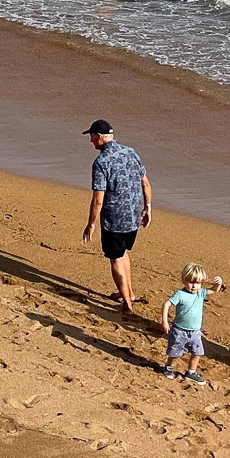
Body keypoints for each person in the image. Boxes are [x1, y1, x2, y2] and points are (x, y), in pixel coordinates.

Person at [81, 120, 152, 319]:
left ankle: (127, 304)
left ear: (100, 137)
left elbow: (98, 199)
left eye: (92, 137)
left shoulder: (101, 162)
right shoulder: (131, 152)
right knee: (123, 253)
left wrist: (91, 224)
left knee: (115, 258)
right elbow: (145, 184)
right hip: (133, 217)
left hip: (114, 220)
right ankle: (128, 292)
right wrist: (147, 208)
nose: (91, 141)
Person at [161, 263, 225, 385]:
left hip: (195, 331)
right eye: (191, 282)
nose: (194, 286)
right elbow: (166, 304)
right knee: (175, 353)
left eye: (198, 283)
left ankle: (191, 372)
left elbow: (214, 290)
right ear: (184, 280)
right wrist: (164, 321)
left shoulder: (200, 293)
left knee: (198, 353)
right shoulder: (180, 294)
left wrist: (218, 283)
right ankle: (169, 367)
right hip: (179, 330)